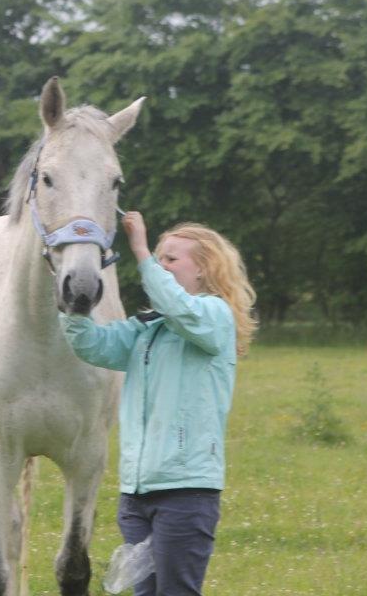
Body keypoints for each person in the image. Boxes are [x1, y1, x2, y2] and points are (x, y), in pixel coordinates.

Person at [59, 211, 257, 596]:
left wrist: (139, 248)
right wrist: (73, 306)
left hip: (186, 492)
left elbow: (180, 309)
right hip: (136, 493)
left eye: (171, 258)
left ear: (204, 270)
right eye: (159, 257)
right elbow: (92, 345)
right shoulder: (148, 330)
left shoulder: (214, 317)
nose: (160, 264)